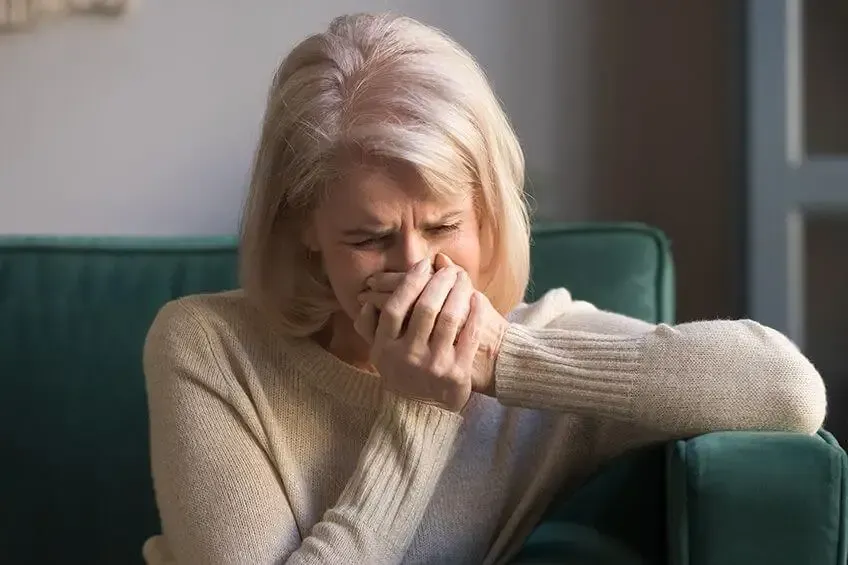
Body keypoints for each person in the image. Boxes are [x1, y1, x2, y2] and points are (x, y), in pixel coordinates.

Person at [141, 12, 827, 565]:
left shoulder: (537, 353)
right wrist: (419, 410)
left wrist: (498, 359)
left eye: (444, 225)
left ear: (489, 212)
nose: (417, 269)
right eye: (368, 238)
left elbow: (787, 390)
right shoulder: (209, 347)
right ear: (304, 228)